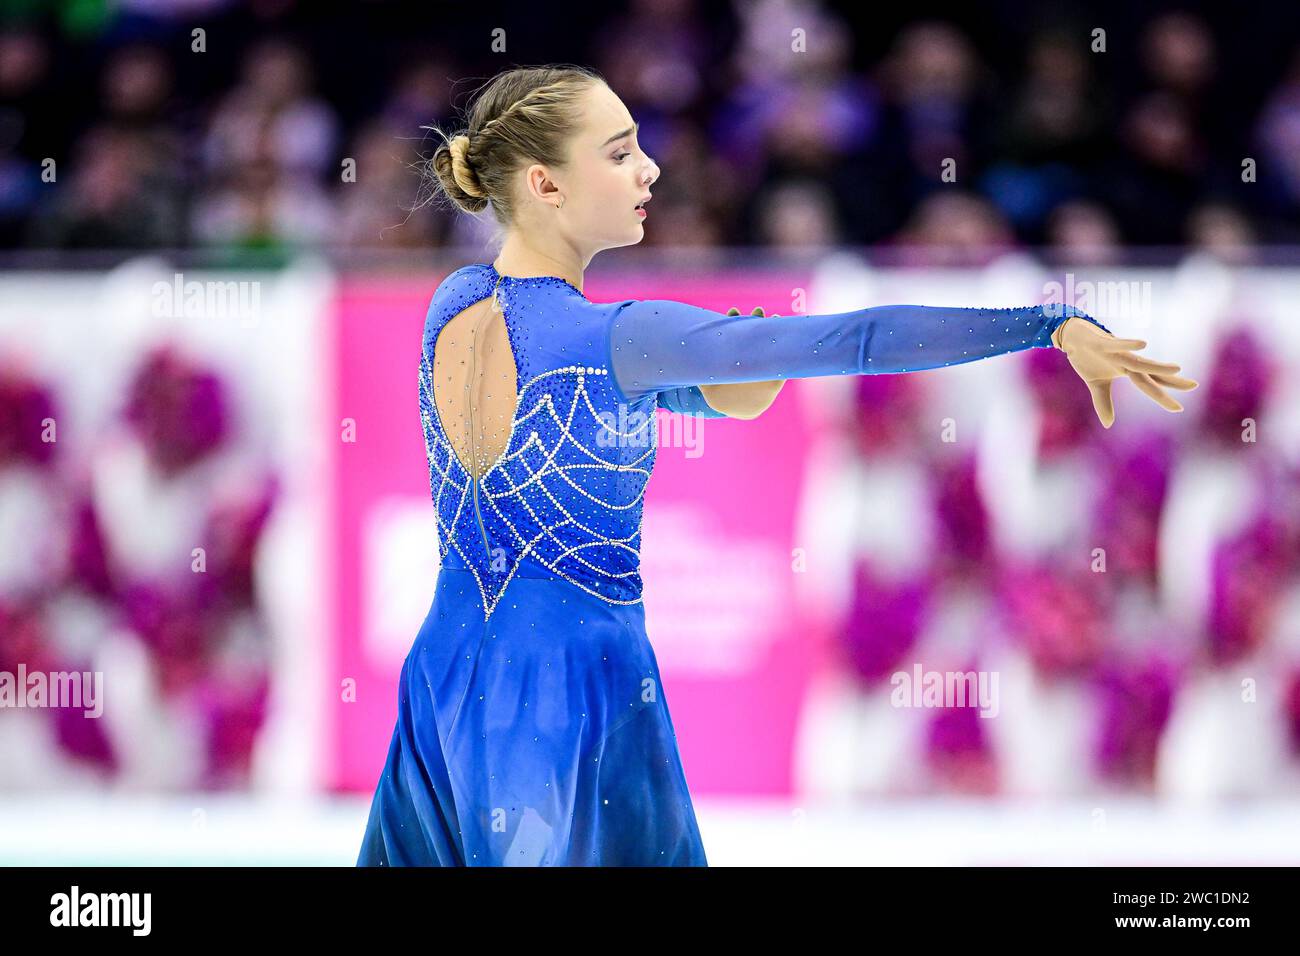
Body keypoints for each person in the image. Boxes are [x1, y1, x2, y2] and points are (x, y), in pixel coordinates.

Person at [356, 64, 1196, 866]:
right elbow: (852, 340)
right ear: (545, 184)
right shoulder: (622, 336)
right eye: (618, 153)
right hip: (574, 680)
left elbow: (633, 401)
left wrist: (724, 381)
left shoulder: (454, 305)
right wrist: (1044, 324)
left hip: (446, 664)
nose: (650, 169)